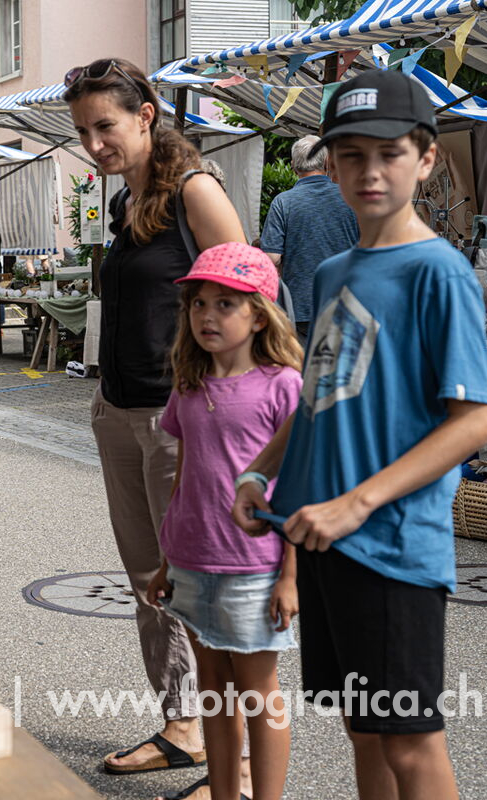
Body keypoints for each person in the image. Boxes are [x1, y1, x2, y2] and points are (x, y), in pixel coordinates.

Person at [233, 70, 487, 800]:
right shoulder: (334, 271)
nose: (370, 171)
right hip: (320, 539)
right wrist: (259, 471)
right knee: (364, 729)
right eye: (351, 155)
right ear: (331, 164)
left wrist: (357, 503)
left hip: (390, 546)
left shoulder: (439, 272)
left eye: (389, 153)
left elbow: (473, 420)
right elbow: (320, 395)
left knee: (410, 741)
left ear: (426, 159)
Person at [64, 57, 248, 797]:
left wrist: (223, 416)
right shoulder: (126, 201)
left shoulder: (195, 191)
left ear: (145, 116)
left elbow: (251, 300)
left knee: (202, 587)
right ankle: (182, 726)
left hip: (180, 417)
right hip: (119, 411)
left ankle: (237, 764)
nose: (94, 143)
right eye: (83, 131)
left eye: (105, 126)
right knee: (150, 582)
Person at [148, 242, 303, 800]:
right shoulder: (189, 383)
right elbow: (185, 473)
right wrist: (166, 559)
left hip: (255, 568)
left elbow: (300, 484)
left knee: (258, 693)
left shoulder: (283, 385)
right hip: (191, 561)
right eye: (198, 303)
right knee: (212, 690)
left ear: (259, 316)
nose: (207, 316)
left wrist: (290, 575)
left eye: (225, 304)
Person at [260, 135, 359, 338]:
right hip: (345, 304)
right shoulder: (351, 198)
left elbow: (271, 258)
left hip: (300, 308)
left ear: (292, 166)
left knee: (301, 359)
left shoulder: (283, 203)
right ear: (327, 163)